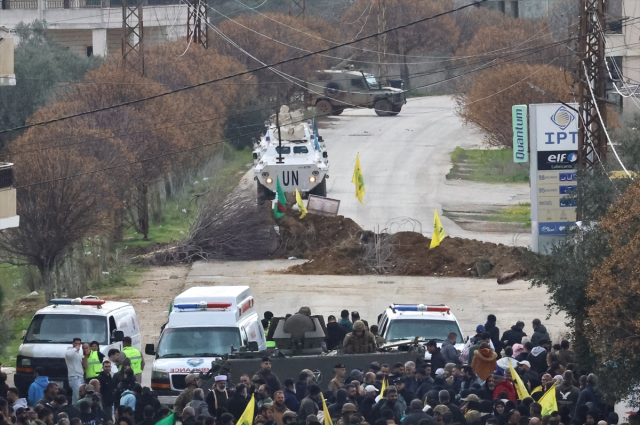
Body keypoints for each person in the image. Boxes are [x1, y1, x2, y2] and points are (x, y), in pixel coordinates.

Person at [65, 339, 84, 405]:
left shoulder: (78, 354)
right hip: (74, 376)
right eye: (76, 343)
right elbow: (68, 354)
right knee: (79, 395)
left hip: (80, 376)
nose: (77, 345)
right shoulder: (70, 350)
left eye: (79, 344)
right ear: (73, 343)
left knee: (75, 398)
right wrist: (75, 348)